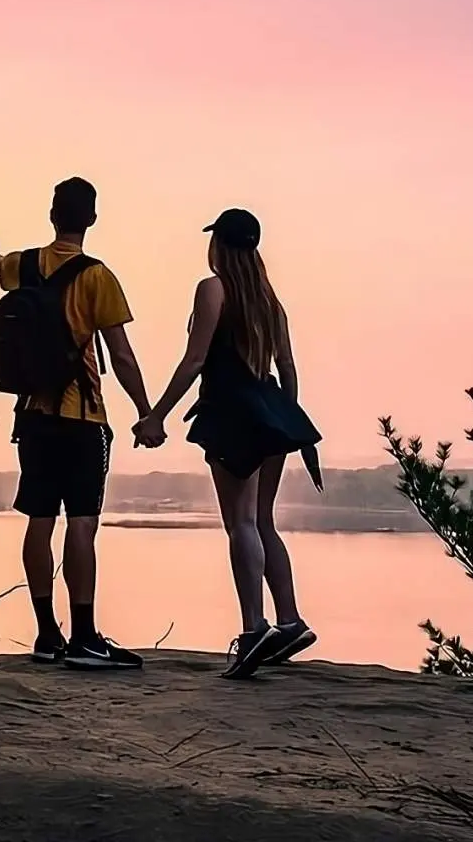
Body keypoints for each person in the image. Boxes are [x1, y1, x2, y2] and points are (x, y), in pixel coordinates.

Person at [134, 208, 325, 679]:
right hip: (273, 412)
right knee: (263, 520)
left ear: (218, 244)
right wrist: (281, 417)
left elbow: (195, 359)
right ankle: (290, 619)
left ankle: (254, 627)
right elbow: (288, 367)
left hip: (233, 413)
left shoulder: (213, 289)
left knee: (240, 522)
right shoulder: (268, 300)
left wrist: (156, 414)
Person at [0, 176, 152, 671]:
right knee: (81, 523)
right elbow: (121, 356)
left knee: (39, 519)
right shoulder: (97, 276)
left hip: (31, 416)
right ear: (90, 219)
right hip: (81, 417)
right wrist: (146, 414)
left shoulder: (23, 266)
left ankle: (46, 632)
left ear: (52, 215)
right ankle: (85, 635)